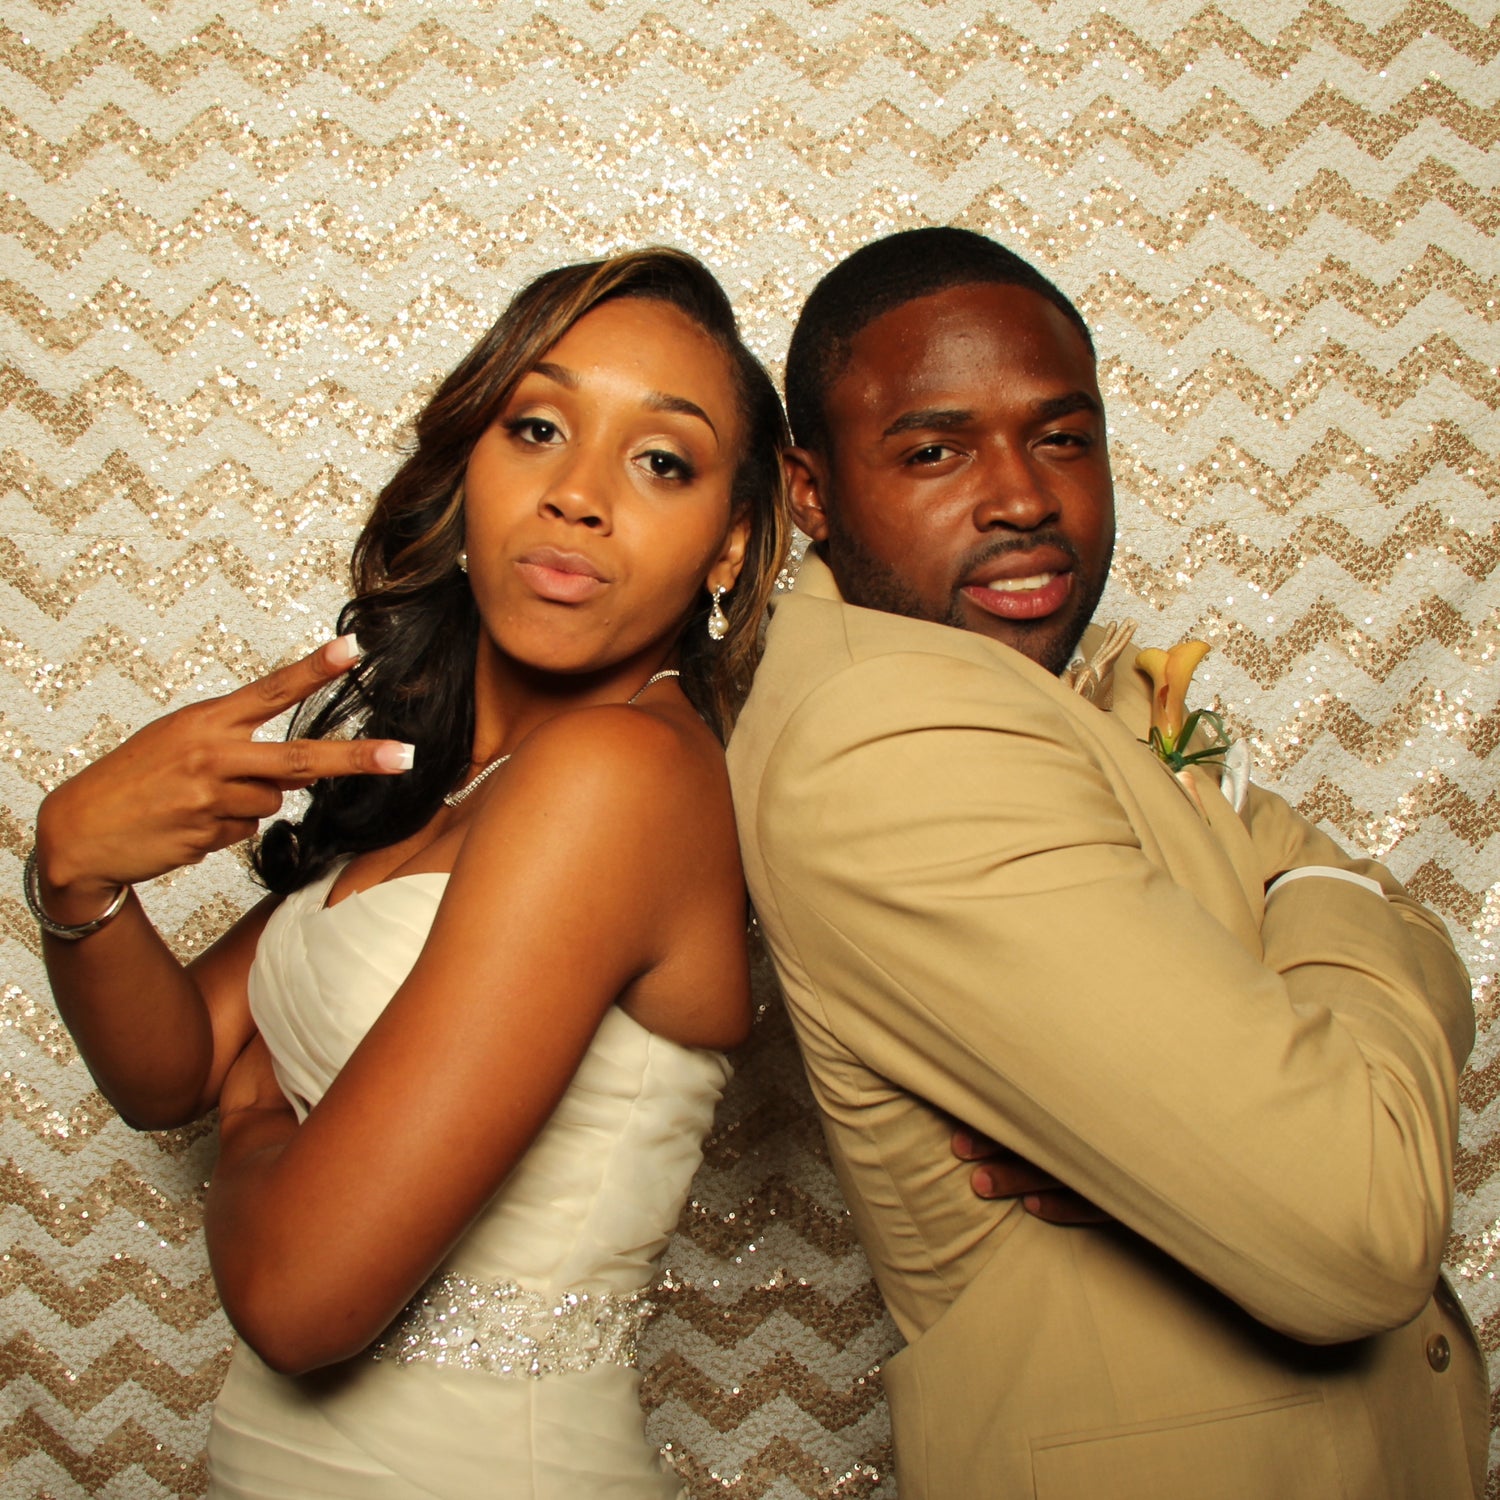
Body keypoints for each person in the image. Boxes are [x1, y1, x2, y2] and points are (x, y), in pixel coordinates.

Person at [727, 226, 1487, 1499]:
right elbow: (1358, 1225)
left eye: (1064, 437)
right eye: (934, 450)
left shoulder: (1010, 692)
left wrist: (1194, 1130)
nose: (1023, 497)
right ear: (809, 490)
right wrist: (1314, 920)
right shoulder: (894, 735)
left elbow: (1391, 926)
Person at [28, 247, 790, 1499]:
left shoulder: (621, 775)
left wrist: (256, 1123)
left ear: (731, 543)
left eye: (663, 460)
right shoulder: (440, 777)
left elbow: (297, 1301)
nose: (579, 495)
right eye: (536, 428)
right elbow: (173, 1066)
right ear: (465, 470)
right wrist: (73, 873)